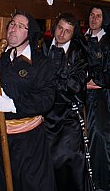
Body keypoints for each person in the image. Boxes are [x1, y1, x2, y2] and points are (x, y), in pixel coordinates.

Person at [0, 10, 57, 191]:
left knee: (28, 184)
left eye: (20, 26)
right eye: (12, 24)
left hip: (26, 139)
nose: (13, 29)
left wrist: (14, 105)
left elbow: (46, 99)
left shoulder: (40, 63)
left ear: (29, 34)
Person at [41, 12, 92, 191]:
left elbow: (76, 86)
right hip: (44, 112)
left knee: (67, 158)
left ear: (73, 34)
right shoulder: (43, 46)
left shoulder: (78, 53)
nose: (61, 34)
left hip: (68, 114)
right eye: (60, 28)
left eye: (67, 31)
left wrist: (57, 75)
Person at [85, 6, 110, 191]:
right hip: (81, 96)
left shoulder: (108, 44)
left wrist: (96, 81)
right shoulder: (81, 40)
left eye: (98, 16)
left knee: (102, 136)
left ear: (104, 19)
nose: (94, 18)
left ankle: (109, 180)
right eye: (92, 15)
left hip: (100, 96)